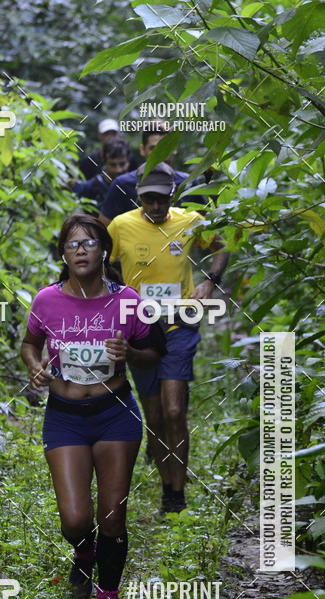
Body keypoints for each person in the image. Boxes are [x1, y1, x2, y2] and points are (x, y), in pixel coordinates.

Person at [20, 214, 162, 599]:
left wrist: (130, 354)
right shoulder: (47, 299)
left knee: (113, 517)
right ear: (62, 255)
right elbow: (30, 343)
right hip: (65, 416)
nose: (80, 250)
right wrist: (34, 366)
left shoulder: (129, 300)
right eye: (71, 244)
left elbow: (154, 356)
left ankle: (108, 597)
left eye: (89, 243)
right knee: (75, 520)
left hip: (115, 413)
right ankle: (84, 553)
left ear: (104, 251)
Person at [108, 163, 229, 514]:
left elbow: (222, 246)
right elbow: (105, 260)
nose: (156, 206)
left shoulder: (190, 221)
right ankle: (167, 489)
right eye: (149, 199)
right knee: (157, 416)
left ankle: (179, 493)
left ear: (172, 195)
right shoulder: (121, 225)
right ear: (139, 196)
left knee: (175, 410)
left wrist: (209, 281)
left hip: (180, 325)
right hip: (141, 330)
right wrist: (121, 291)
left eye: (162, 200)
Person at [98, 127, 206, 227]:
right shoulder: (122, 184)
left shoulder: (188, 184)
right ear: (142, 150)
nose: (159, 153)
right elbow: (104, 229)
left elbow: (205, 225)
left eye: (165, 148)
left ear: (174, 149)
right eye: (153, 148)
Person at [72, 139, 131, 208]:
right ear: (105, 163)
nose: (118, 170)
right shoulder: (90, 188)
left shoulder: (136, 186)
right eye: (112, 165)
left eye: (122, 164)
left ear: (129, 162)